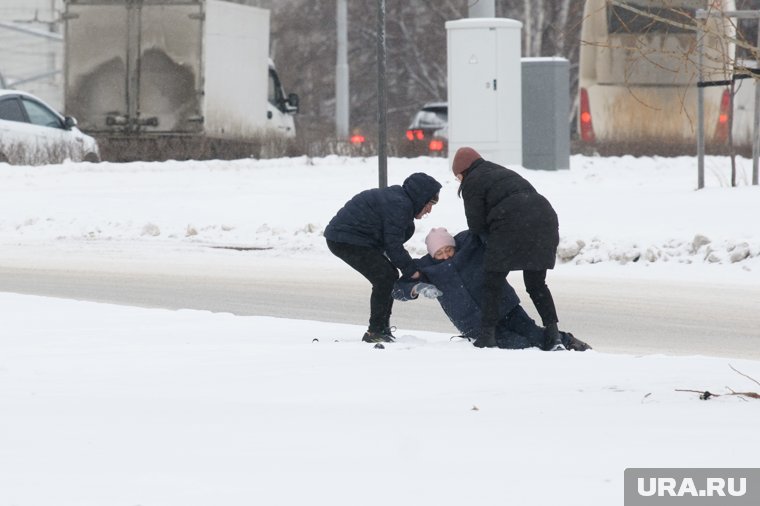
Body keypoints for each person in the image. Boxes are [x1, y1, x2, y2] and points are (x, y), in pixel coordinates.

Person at [393, 228, 591, 351]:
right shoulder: (427, 269)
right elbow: (398, 289)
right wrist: (417, 288)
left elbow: (485, 227)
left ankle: (568, 341)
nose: (445, 256)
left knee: (533, 334)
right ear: (431, 254)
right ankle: (546, 352)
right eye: (439, 253)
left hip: (505, 305)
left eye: (448, 250)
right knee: (517, 344)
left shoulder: (470, 245)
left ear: (454, 245)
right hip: (474, 324)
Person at [452, 147, 565, 350]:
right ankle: (553, 334)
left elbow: (476, 225)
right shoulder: (500, 171)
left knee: (492, 281)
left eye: (457, 178)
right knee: (536, 284)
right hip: (545, 220)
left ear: (462, 173)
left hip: (511, 224)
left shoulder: (472, 182)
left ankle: (488, 336)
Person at [325, 172, 442, 343]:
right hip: (345, 239)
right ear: (420, 197)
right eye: (429, 203)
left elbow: (392, 242)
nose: (429, 210)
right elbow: (393, 245)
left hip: (354, 238)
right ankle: (376, 331)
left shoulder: (401, 201)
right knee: (384, 277)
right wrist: (412, 271)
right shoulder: (399, 205)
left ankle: (382, 328)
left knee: (388, 275)